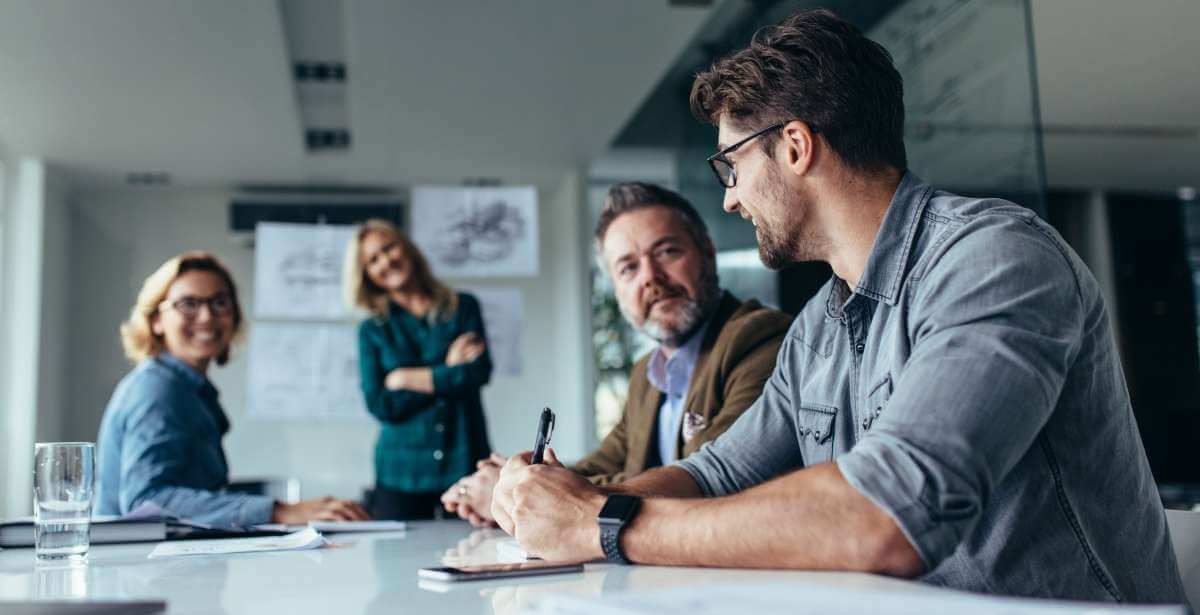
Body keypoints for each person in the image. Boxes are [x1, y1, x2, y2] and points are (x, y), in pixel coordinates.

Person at [489, 9, 1186, 603]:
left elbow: (888, 514)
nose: (730, 196)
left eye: (732, 166)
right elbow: (716, 472)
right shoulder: (821, 325)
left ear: (794, 146)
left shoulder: (995, 259)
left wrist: (601, 522)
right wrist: (559, 503)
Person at [441, 183, 791, 526]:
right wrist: (514, 483)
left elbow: (710, 477)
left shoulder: (758, 339)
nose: (651, 278)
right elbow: (598, 467)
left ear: (708, 252)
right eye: (628, 268)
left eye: (667, 251)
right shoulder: (647, 374)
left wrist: (527, 496)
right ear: (616, 288)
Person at [96, 251, 369, 527]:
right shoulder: (158, 389)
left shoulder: (190, 390)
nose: (206, 316)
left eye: (220, 303)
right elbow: (147, 501)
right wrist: (279, 511)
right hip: (136, 567)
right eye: (188, 304)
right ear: (156, 320)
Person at [346, 219, 493, 520]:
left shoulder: (463, 307)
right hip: (400, 474)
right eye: (373, 260)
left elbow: (477, 373)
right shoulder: (372, 330)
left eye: (389, 248)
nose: (386, 260)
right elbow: (381, 404)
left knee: (474, 556)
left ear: (407, 247)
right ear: (367, 275)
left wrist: (406, 378)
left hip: (464, 461)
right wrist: (448, 369)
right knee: (393, 564)